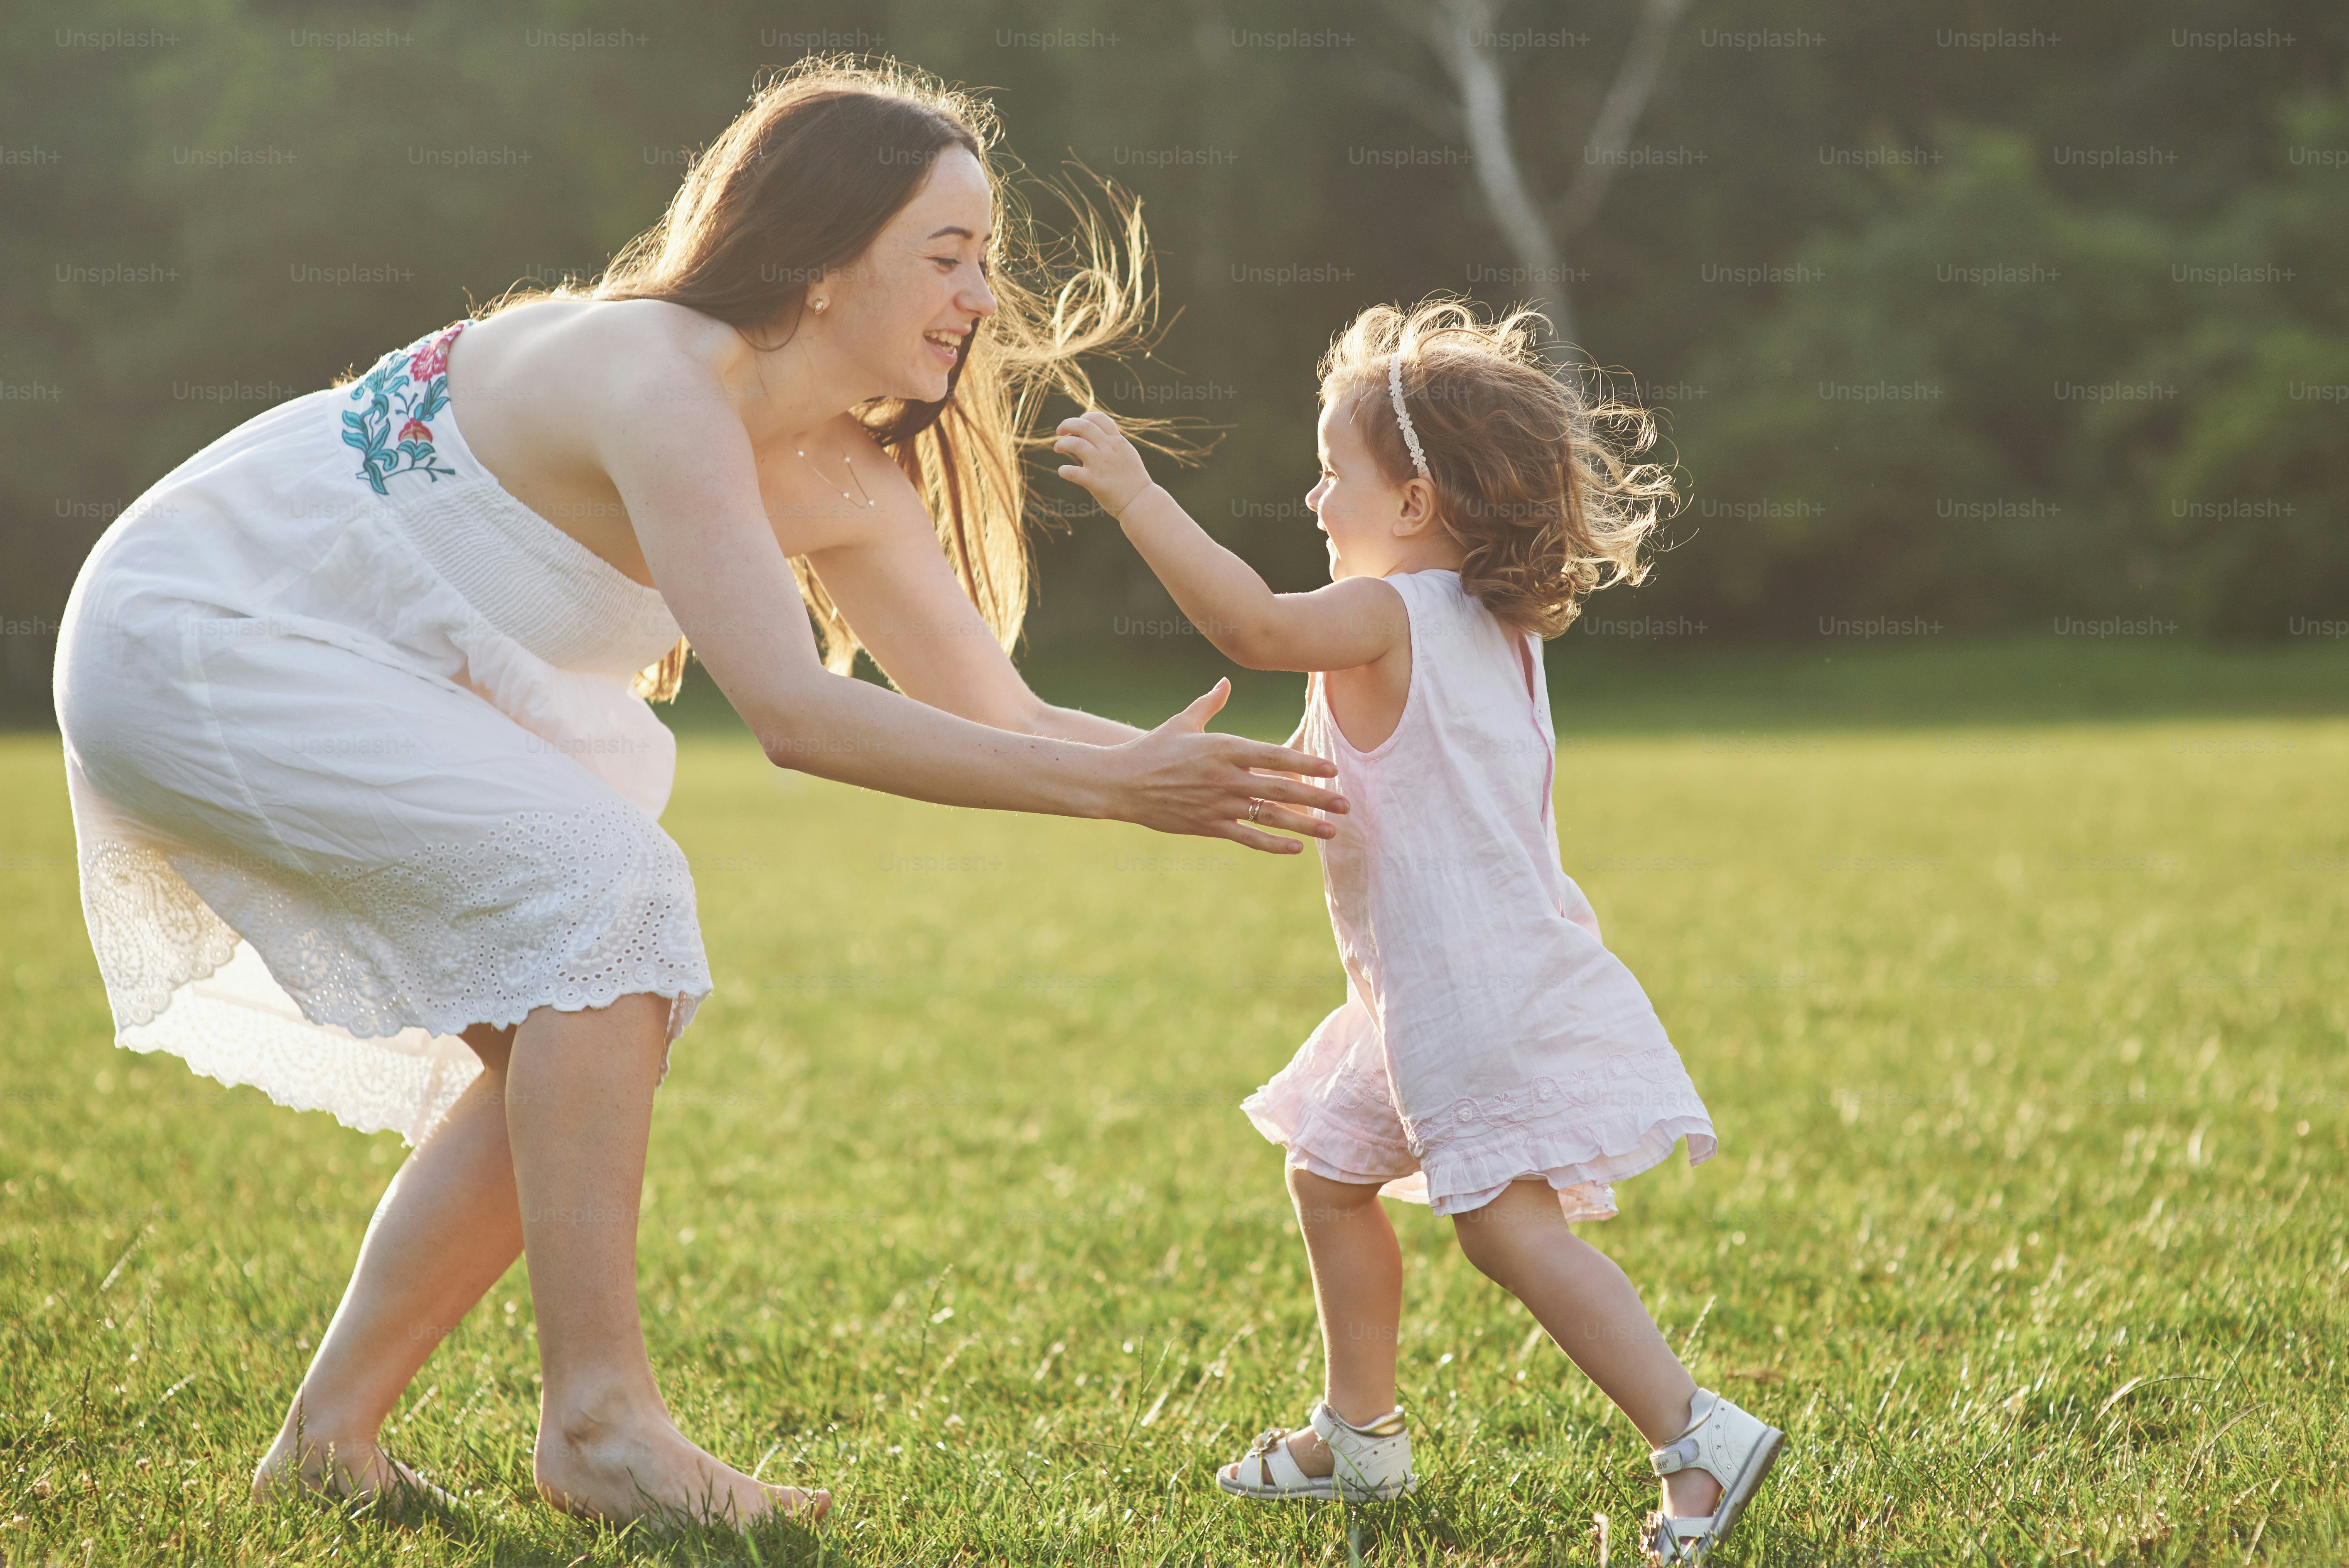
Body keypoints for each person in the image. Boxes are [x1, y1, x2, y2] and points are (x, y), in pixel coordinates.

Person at [50, 59, 1346, 1530]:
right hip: (210, 629)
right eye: (947, 254)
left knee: (594, 1000)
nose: (983, 296)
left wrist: (1261, 780)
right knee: (612, 898)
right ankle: (597, 1422)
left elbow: (1003, 711)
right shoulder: (657, 373)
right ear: (816, 251)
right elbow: (794, 716)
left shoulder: (845, 472)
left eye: (986, 259)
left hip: (353, 655)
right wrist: (1121, 795)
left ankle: (330, 1442)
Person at [1052, 298, 1784, 1563]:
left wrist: (1133, 496)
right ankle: (1362, 1434)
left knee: (1507, 1230)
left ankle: (1698, 1438)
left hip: (1465, 994)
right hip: (1439, 988)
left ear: (1416, 506)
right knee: (1330, 1174)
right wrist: (1157, 766)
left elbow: (1251, 625)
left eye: (1335, 475)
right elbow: (1341, 773)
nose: (1317, 500)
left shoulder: (1390, 615)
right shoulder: (1486, 630)